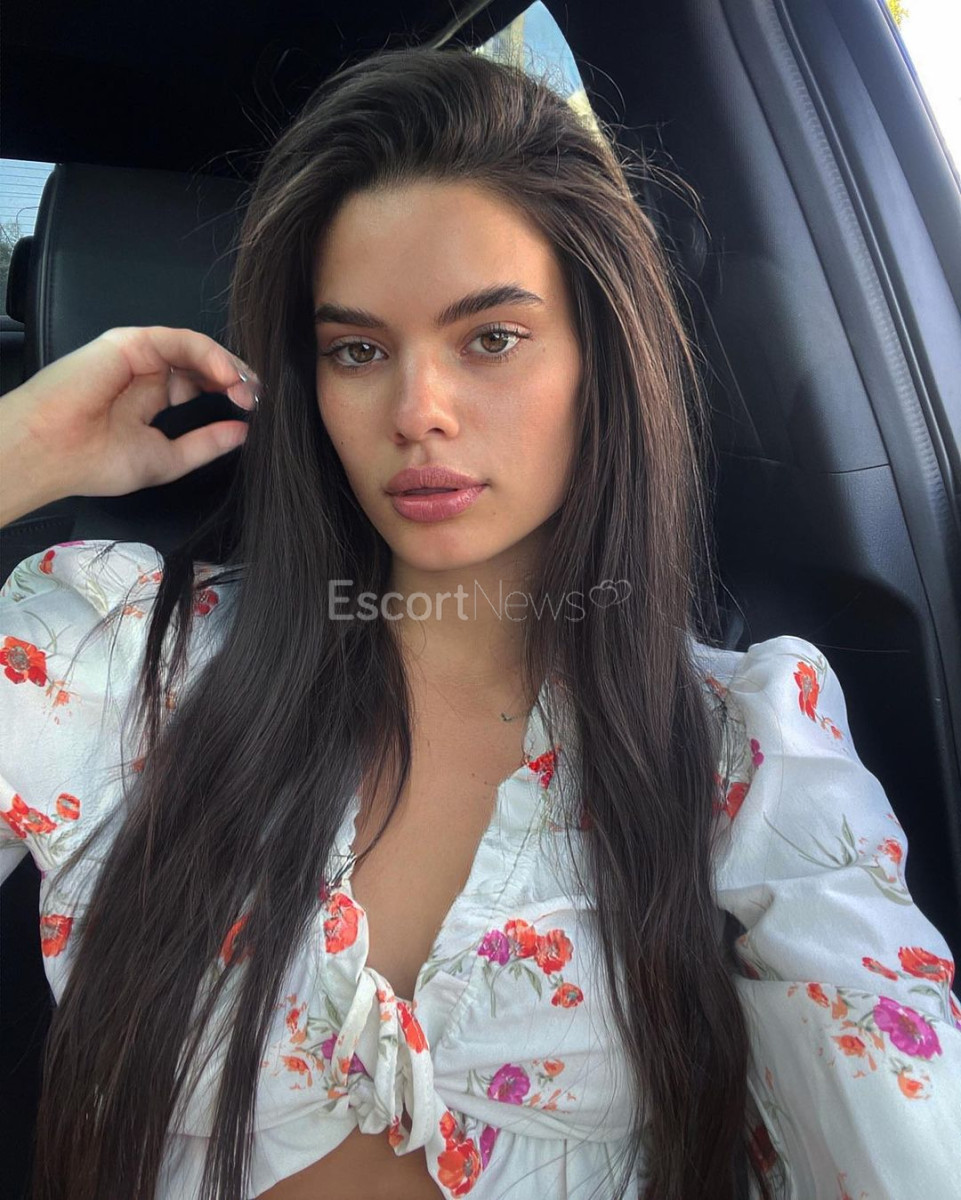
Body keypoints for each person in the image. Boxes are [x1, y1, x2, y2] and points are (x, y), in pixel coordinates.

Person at [0, 44, 958, 1200]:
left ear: (600, 358)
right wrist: (19, 451)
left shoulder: (739, 750)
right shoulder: (113, 658)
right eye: (358, 351)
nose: (418, 411)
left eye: (491, 338)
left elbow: (902, 1126)